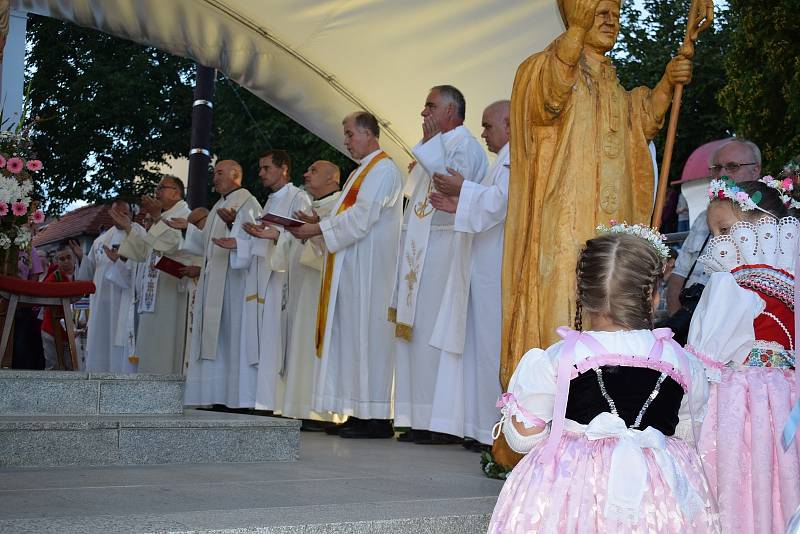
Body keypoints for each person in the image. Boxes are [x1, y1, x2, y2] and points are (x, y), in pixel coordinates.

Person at [500, 0, 698, 431]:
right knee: (559, 308)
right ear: (577, 13)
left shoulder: (610, 82)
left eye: (617, 12)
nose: (612, 20)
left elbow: (638, 120)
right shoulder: (544, 67)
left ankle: (617, 409)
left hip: (607, 230)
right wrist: (573, 35)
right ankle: (546, 421)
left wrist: (666, 83)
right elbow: (546, 100)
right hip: (562, 227)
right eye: (601, 11)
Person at [488, 227, 716, 533]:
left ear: (582, 292)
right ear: (654, 296)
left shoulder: (561, 358)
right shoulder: (683, 362)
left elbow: (522, 438)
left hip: (571, 491)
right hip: (657, 496)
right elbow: (688, 434)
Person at [687, 178, 800, 533]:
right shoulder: (790, 278)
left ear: (759, 226)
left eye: (725, 229)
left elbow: (705, 356)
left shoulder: (730, 284)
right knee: (781, 478)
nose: (720, 241)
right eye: (714, 233)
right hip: (787, 399)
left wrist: (684, 413)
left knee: (739, 478)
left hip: (738, 398)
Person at [287, 111, 403, 439]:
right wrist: (317, 223)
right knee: (352, 339)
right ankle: (357, 410)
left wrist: (317, 227)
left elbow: (362, 218)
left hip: (371, 272)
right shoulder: (362, 172)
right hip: (352, 269)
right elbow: (347, 216)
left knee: (369, 340)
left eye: (351, 134)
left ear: (369, 134)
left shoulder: (383, 169)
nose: (347, 140)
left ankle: (377, 417)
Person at [391, 85, 488, 444]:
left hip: (446, 252)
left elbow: (450, 187)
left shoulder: (463, 146)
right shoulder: (439, 145)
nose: (423, 113)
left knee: (435, 336)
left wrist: (428, 150)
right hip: (422, 255)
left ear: (451, 111)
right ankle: (418, 417)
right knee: (416, 338)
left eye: (430, 106)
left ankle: (441, 422)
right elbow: (412, 196)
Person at [427, 100, 509, 448]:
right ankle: (479, 427)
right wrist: (462, 201)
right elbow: (491, 200)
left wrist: (464, 192)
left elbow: (502, 202)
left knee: (490, 346)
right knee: (478, 346)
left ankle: (491, 426)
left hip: (495, 264)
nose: (484, 133)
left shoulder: (513, 159)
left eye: (489, 126)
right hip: (482, 262)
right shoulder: (500, 160)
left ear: (508, 123)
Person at [213, 150, 311, 411]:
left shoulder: (298, 198)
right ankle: (257, 400)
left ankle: (276, 402)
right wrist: (240, 243)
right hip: (261, 280)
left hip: (280, 283)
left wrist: (275, 237)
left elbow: (304, 239)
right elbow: (263, 238)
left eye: (266, 168)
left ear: (284, 169)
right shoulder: (269, 202)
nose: (261, 173)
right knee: (259, 341)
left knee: (274, 342)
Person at [167, 160, 262, 408]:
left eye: (220, 172)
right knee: (215, 341)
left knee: (232, 340)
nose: (215, 177)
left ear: (236, 175)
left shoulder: (247, 203)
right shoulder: (219, 205)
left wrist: (233, 226)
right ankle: (216, 395)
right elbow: (205, 246)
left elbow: (255, 241)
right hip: (214, 281)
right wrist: (188, 228)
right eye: (215, 172)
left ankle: (236, 398)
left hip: (234, 285)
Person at [273, 160, 343, 425]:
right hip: (302, 290)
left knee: (316, 346)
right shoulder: (307, 208)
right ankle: (300, 408)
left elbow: (334, 246)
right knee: (300, 343)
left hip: (321, 288)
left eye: (313, 171)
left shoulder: (338, 206)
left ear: (332, 178)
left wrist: (314, 231)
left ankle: (320, 412)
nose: (306, 173)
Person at [110, 175, 196, 375]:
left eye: (161, 187)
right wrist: (129, 227)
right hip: (152, 295)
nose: (156, 192)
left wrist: (157, 216)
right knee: (150, 344)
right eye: (157, 188)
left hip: (171, 292)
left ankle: (165, 388)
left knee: (166, 346)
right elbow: (143, 252)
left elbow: (176, 245)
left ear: (176, 192)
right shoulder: (165, 215)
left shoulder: (185, 215)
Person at [666, 138, 762, 315]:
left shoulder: (766, 223)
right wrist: (678, 326)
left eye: (732, 166)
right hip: (687, 321)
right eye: (717, 168)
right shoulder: (703, 218)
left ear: (755, 170)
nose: (722, 174)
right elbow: (677, 277)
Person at [75, 199, 144, 373]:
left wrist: (120, 262)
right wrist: (81, 258)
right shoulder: (100, 241)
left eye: (124, 213)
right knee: (101, 341)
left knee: (121, 346)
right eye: (116, 213)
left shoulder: (138, 235)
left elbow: (140, 270)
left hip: (126, 303)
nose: (120, 217)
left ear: (131, 214)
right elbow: (88, 273)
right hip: (101, 305)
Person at [41, 241, 77, 370]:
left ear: (74, 258)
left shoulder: (82, 274)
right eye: (62, 259)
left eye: (68, 257)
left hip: (75, 331)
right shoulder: (53, 277)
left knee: (72, 368)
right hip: (51, 329)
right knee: (53, 367)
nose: (66, 261)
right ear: (57, 261)